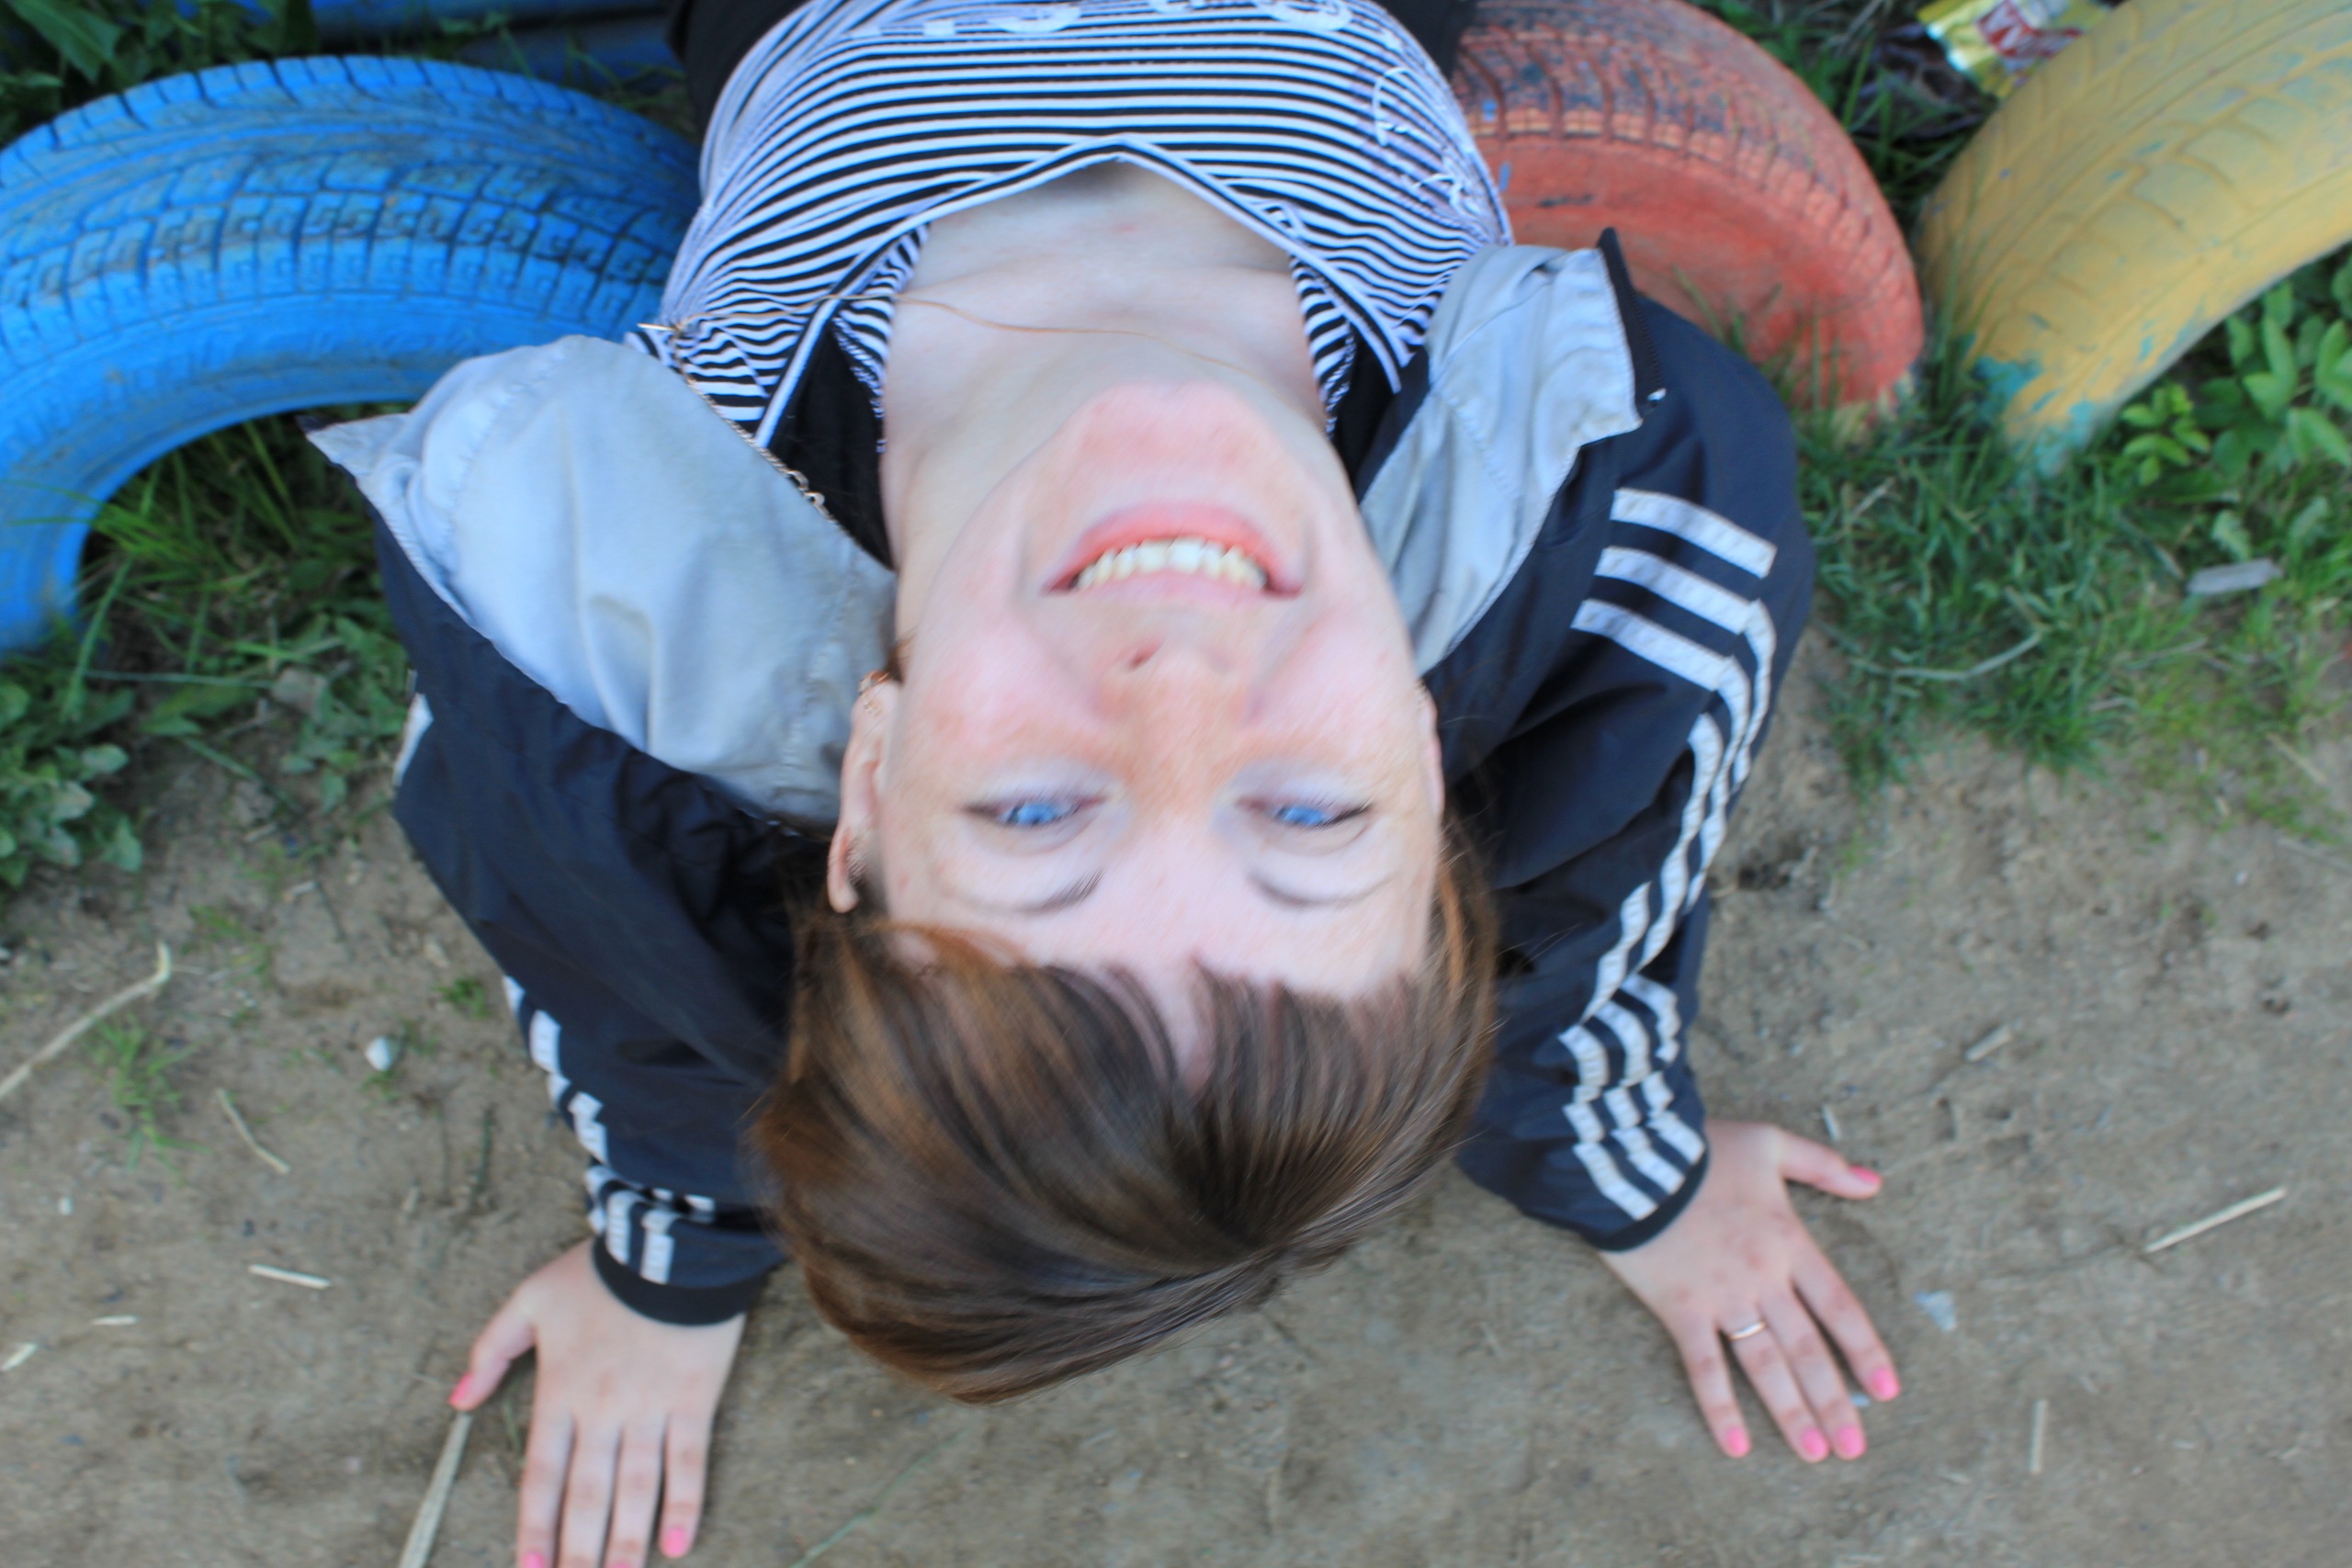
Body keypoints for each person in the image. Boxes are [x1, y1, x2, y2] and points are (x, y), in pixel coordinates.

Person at [315, 0, 1899, 1562]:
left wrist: (673, 1260)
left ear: (868, 781)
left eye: (1033, 813)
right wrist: (1633, 1174)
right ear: (1427, 774)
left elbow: (628, 968)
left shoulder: (586, 628)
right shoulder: (1637, 480)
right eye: (1309, 814)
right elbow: (1581, 907)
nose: (1182, 687)